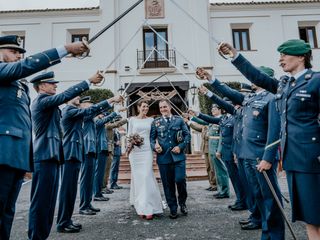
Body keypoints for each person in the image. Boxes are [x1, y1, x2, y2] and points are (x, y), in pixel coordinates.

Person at [218, 39, 320, 239]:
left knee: (318, 214)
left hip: (312, 159)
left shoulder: (315, 80)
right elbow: (257, 76)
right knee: (309, 217)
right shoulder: (285, 84)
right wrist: (235, 55)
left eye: (284, 54)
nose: (280, 60)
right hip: (293, 159)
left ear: (301, 56)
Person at [0, 34, 87, 240]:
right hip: (3, 152)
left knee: (7, 213)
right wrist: (65, 49)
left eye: (19, 53)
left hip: (17, 154)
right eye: (13, 51)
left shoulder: (17, 84)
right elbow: (26, 66)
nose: (17, 56)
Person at [197, 67, 285, 239]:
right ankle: (265, 230)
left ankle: (275, 235)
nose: (252, 78)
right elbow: (229, 95)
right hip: (246, 155)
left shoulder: (272, 98)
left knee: (270, 198)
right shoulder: (249, 98)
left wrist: (268, 157)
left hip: (261, 156)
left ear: (264, 78)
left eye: (256, 76)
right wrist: (211, 80)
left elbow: (275, 132)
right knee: (257, 194)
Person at [28, 71, 103, 240]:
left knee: (48, 203)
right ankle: (36, 236)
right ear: (41, 86)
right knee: (41, 203)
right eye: (51, 83)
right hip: (44, 155)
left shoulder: (50, 104)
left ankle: (43, 235)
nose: (55, 85)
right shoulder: (41, 101)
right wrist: (88, 81)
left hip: (53, 155)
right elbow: (64, 96)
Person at [57, 96, 116, 233]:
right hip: (78, 151)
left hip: (86, 150)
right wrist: (112, 104)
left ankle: (81, 208)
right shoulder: (76, 113)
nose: (90, 106)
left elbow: (95, 113)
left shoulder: (84, 114)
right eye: (88, 104)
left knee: (83, 183)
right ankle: (81, 207)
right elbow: (97, 116)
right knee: (78, 183)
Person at [150, 99, 191, 219]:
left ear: (170, 107)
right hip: (163, 158)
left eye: (165, 107)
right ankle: (173, 208)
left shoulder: (179, 120)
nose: (163, 109)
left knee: (180, 180)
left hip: (178, 157)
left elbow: (187, 135)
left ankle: (182, 203)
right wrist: (155, 146)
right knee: (168, 185)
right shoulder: (156, 122)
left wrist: (180, 146)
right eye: (161, 107)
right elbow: (151, 139)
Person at [128, 100, 163, 220]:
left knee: (147, 176)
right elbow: (129, 136)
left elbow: (154, 135)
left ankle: (150, 206)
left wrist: (156, 145)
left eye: (147, 106)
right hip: (135, 152)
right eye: (143, 106)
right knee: (138, 178)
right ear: (138, 108)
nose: (145, 108)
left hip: (147, 150)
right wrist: (130, 145)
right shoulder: (132, 120)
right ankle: (142, 206)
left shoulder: (151, 120)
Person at [93, 111, 119, 201]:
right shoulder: (98, 121)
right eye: (102, 114)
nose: (103, 116)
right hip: (100, 149)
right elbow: (109, 122)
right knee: (99, 172)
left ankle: (100, 191)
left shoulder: (102, 122)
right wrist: (116, 112)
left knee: (103, 171)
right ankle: (98, 191)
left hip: (105, 149)